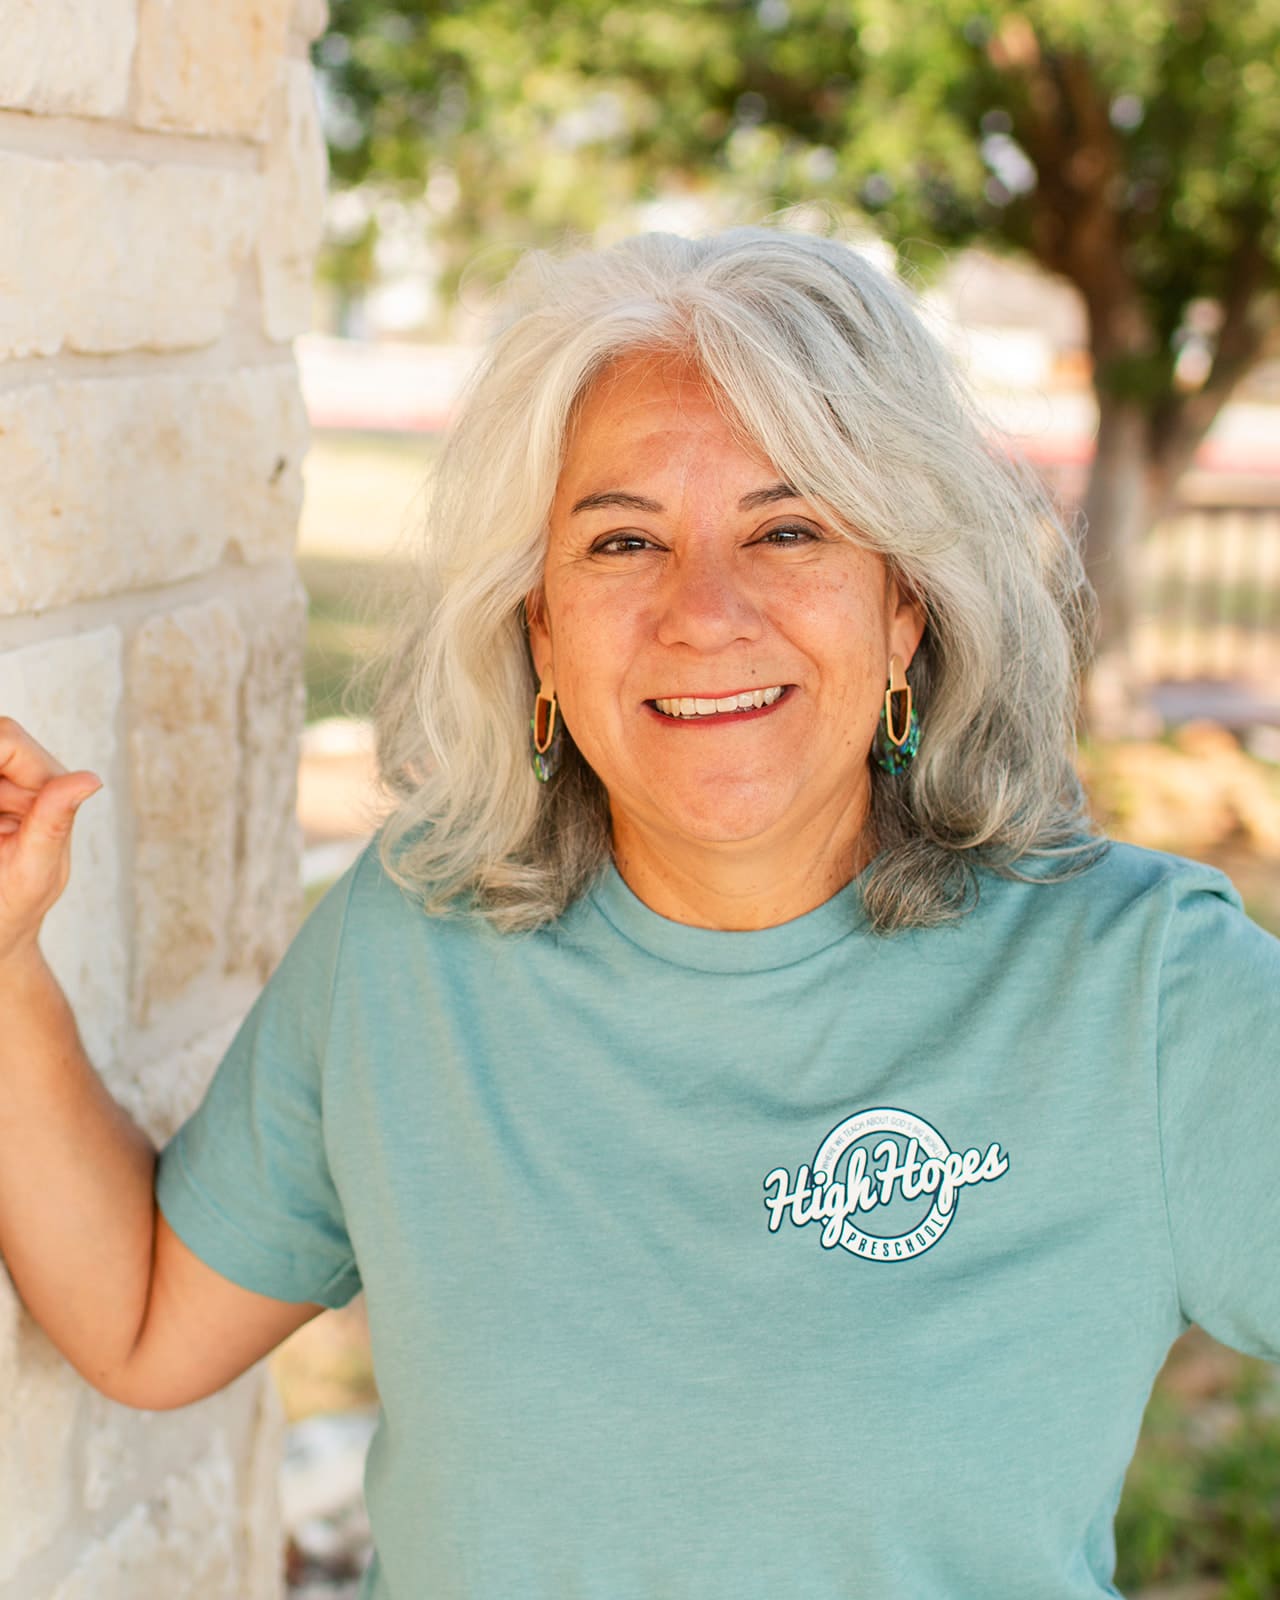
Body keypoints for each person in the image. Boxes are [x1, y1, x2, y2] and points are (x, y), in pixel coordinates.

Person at [1, 226, 1277, 1600]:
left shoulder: (1141, 989)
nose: (703, 611)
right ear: (538, 629)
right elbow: (140, 1320)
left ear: (906, 602)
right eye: (622, 541)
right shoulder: (416, 937)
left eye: (788, 528)